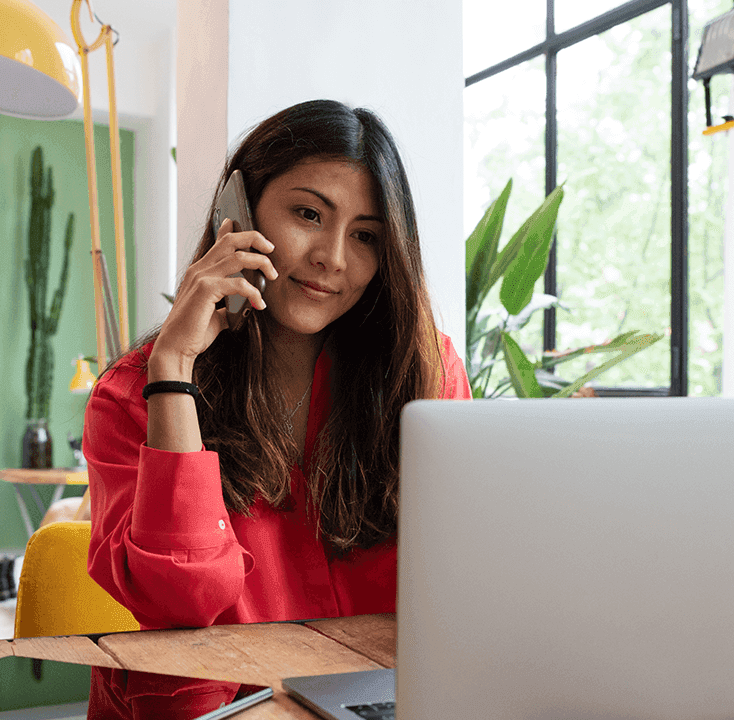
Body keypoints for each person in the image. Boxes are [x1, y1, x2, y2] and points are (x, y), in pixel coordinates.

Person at [84, 99, 471, 630]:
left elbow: (464, 580)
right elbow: (180, 601)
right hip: (221, 704)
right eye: (309, 214)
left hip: (372, 699)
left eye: (365, 236)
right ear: (237, 213)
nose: (332, 258)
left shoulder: (426, 372)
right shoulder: (133, 393)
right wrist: (174, 367)